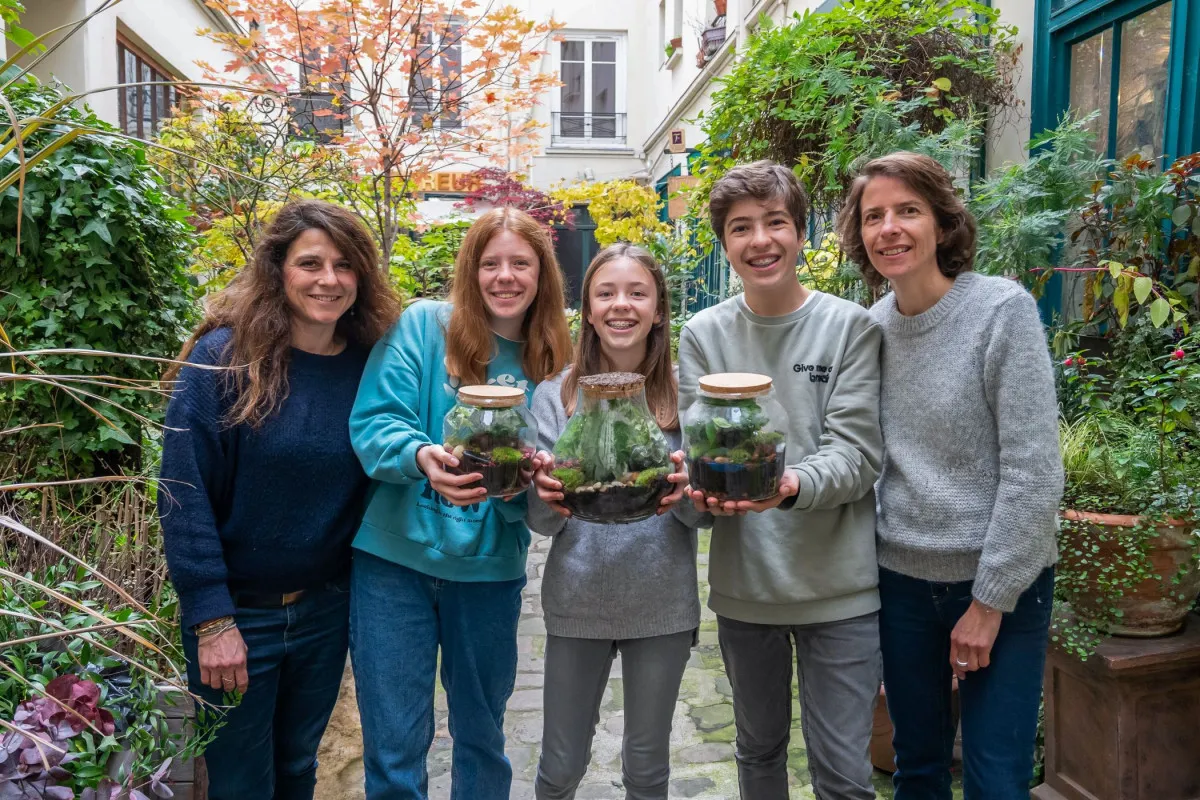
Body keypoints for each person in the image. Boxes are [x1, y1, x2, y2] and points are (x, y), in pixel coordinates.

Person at [835, 151, 1061, 798]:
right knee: (918, 771)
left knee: (995, 780)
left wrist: (987, 605)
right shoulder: (868, 332)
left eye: (908, 211)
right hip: (902, 589)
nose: (889, 229)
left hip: (1004, 587)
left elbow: (1033, 472)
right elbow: (867, 464)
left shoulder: (1001, 313)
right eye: (873, 216)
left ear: (942, 222)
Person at [159, 199, 402, 800]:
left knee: (297, 768)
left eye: (344, 266)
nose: (328, 280)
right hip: (238, 615)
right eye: (310, 263)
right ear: (278, 270)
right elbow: (182, 494)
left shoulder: (372, 365)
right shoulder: (224, 359)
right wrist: (212, 618)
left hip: (324, 612)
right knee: (241, 783)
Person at [348, 207, 573, 800]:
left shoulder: (551, 362)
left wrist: (528, 479)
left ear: (541, 274)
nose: (505, 276)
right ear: (470, 272)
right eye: (490, 263)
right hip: (394, 568)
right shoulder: (425, 327)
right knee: (395, 748)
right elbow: (374, 420)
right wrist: (423, 457)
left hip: (489, 573)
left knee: (482, 739)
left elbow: (550, 478)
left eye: (520, 263)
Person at [677, 160, 884, 799]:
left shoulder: (850, 326)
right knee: (759, 752)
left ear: (800, 233)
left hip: (841, 591)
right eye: (741, 228)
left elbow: (857, 455)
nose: (760, 240)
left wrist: (788, 485)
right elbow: (700, 454)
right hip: (748, 590)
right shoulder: (704, 335)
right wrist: (696, 496)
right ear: (725, 244)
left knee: (845, 774)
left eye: (775, 223)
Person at [527, 244, 699, 800]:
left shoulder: (685, 393)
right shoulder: (558, 395)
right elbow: (541, 521)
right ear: (588, 308)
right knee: (559, 766)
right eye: (606, 293)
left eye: (636, 293)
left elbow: (703, 516)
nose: (620, 305)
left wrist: (685, 493)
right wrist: (546, 495)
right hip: (577, 601)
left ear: (659, 309)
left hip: (662, 603)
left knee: (647, 770)